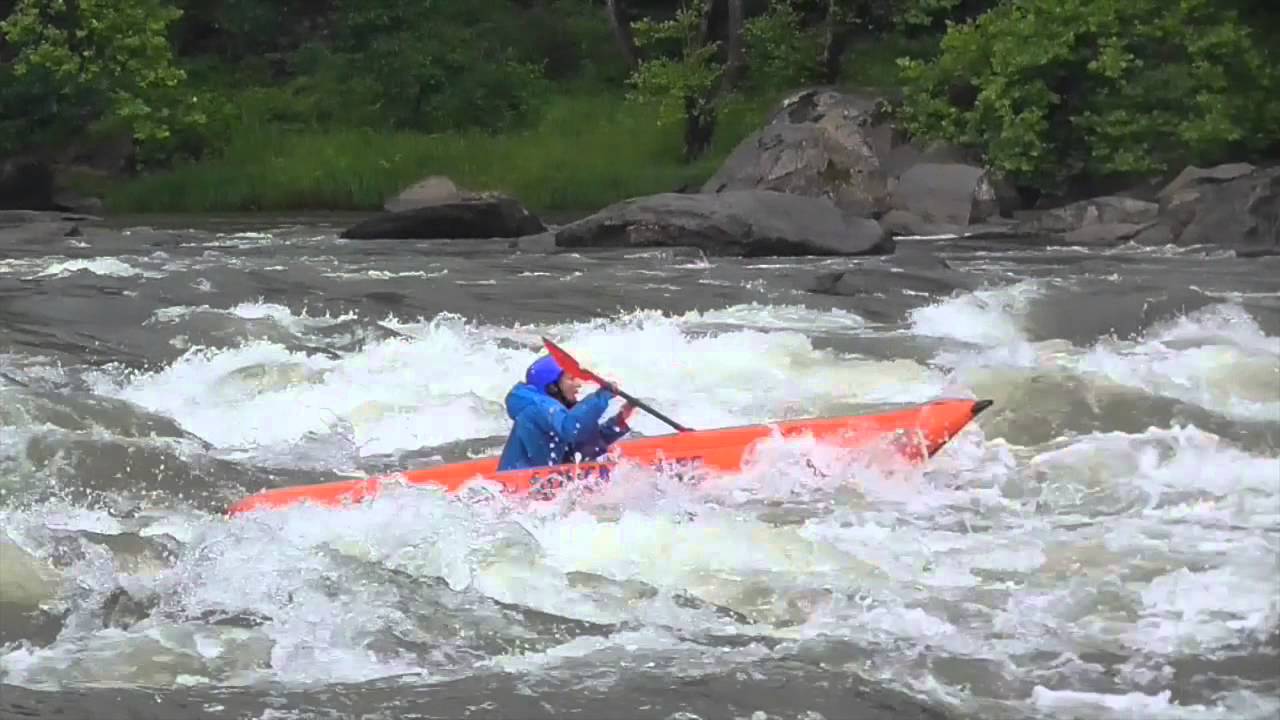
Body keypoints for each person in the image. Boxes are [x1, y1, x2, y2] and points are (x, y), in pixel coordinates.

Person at [496, 354, 636, 472]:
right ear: (552, 387)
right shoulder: (540, 408)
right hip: (518, 484)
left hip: (540, 480)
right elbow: (571, 429)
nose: (578, 384)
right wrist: (601, 396)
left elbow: (581, 446)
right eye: (571, 378)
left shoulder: (554, 410)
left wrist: (620, 421)